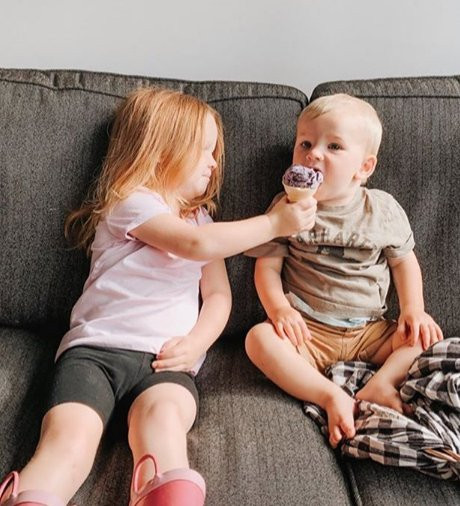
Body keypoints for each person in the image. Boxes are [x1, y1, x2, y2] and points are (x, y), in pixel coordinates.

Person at [0, 88, 316, 506]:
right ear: (160, 150)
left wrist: (197, 343)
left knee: (164, 430)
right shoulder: (130, 203)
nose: (214, 162)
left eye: (214, 152)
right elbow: (193, 245)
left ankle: (163, 493)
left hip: (166, 365)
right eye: (204, 150)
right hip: (95, 354)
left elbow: (218, 296)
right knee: (69, 441)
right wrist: (274, 223)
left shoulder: (204, 222)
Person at [244, 93, 443, 449]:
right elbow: (268, 266)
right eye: (305, 143)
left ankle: (381, 383)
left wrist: (414, 309)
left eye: (333, 146)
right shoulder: (287, 208)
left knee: (421, 339)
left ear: (363, 168)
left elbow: (404, 261)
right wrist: (279, 309)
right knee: (258, 340)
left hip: (370, 331)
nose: (313, 154)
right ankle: (329, 395)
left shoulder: (381, 209)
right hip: (308, 331)